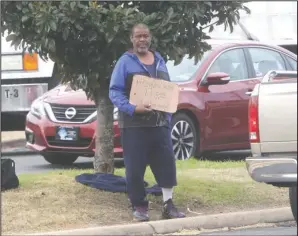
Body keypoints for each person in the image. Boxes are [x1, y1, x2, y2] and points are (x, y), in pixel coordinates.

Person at [109, 23, 185, 222]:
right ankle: (140, 207)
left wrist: (167, 117)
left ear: (150, 38)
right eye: (138, 36)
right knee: (135, 168)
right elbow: (114, 92)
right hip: (134, 125)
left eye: (145, 36)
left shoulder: (159, 60)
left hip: (159, 125)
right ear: (132, 39)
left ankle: (168, 205)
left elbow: (166, 89)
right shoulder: (125, 62)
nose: (142, 39)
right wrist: (133, 108)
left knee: (166, 164)